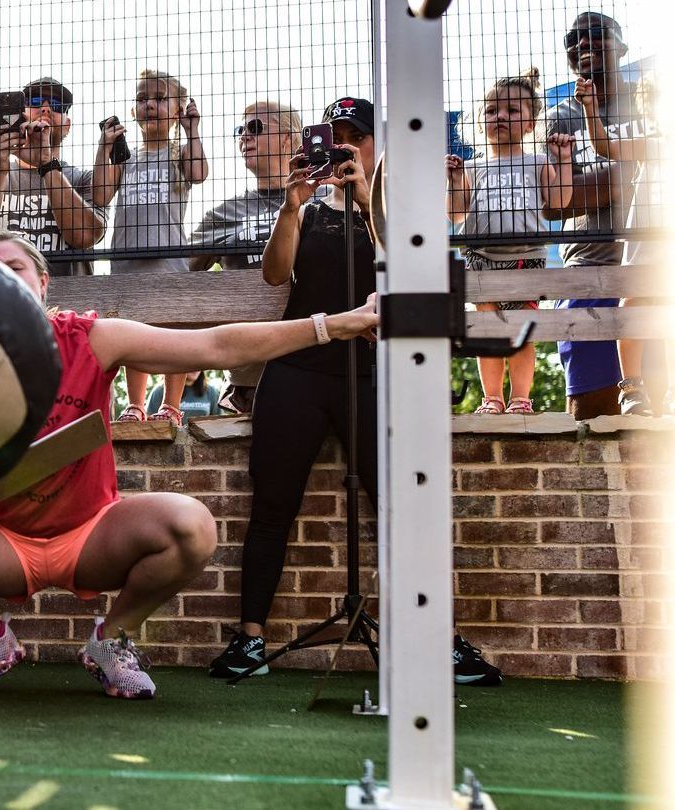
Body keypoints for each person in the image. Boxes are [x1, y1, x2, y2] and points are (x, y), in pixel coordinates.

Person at [0, 229, 378, 700]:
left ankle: (111, 640)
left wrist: (331, 325)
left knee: (192, 525)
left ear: (43, 283)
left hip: (91, 535)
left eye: (13, 268)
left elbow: (215, 346)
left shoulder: (92, 339)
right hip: (2, 545)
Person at [208, 98, 503, 687]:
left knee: (399, 508)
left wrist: (369, 197)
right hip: (297, 371)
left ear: (376, 146)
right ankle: (249, 640)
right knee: (271, 506)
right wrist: (290, 208)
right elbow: (275, 275)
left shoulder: (399, 212)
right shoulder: (309, 209)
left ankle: (438, 642)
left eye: (355, 139)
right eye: (335, 139)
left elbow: (409, 267)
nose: (345, 149)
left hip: (372, 375)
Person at [446, 70, 575, 415]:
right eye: (491, 110)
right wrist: (456, 179)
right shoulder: (473, 167)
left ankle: (520, 398)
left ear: (532, 123)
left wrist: (562, 162)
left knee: (521, 330)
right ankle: (492, 398)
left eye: (512, 111)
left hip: (524, 258)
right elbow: (456, 215)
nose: (500, 116)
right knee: (488, 332)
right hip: (480, 258)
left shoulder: (537, 162)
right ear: (479, 120)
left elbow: (559, 202)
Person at [93, 68, 207, 425]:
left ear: (177, 110)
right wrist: (104, 146)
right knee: (131, 332)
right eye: (142, 99)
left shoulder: (178, 154)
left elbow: (199, 173)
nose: (150, 106)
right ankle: (136, 403)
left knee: (173, 330)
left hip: (169, 257)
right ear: (133, 111)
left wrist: (193, 131)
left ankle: (171, 404)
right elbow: (99, 195)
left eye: (160, 99)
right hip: (126, 259)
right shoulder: (126, 158)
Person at [545, 12, 640, 419]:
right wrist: (633, 171)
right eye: (573, 39)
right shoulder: (560, 116)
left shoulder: (649, 98)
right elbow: (555, 203)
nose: (583, 44)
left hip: (652, 262)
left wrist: (592, 183)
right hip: (589, 264)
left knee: (655, 405)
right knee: (591, 409)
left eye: (595, 35)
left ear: (621, 46)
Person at [190, 100, 304, 414]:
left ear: (288, 139)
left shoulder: (319, 202)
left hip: (312, 365)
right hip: (249, 378)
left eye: (255, 127)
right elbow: (181, 271)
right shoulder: (222, 215)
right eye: (241, 130)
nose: (245, 137)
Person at [576, 72, 666, 414]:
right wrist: (590, 108)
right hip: (647, 240)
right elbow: (603, 146)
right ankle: (631, 387)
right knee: (633, 303)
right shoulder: (653, 143)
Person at [0, 77, 108, 276]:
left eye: (57, 105)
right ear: (20, 116)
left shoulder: (84, 179)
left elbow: (85, 236)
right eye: (35, 102)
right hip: (8, 300)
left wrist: (46, 164)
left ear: (67, 126)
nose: (46, 109)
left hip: (72, 302)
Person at [145, 372, 223, 422]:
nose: (195, 368)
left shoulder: (211, 391)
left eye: (199, 364)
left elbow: (219, 422)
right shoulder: (160, 390)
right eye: (191, 364)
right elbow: (149, 419)